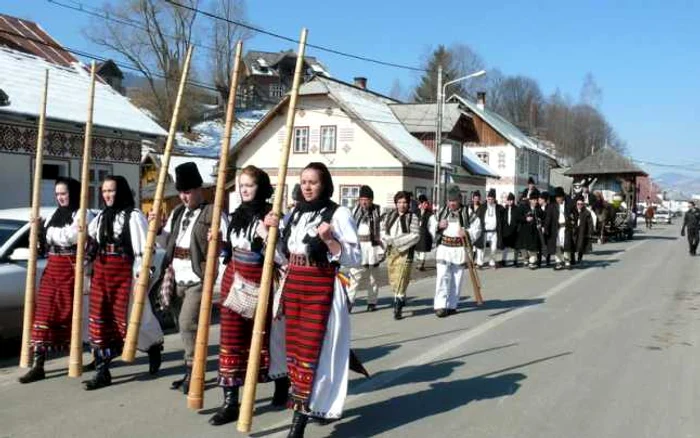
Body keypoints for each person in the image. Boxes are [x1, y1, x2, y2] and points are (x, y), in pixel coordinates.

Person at [274, 162, 360, 437]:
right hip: (295, 286)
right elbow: (282, 255)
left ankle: (298, 421)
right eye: (304, 181)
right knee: (296, 354)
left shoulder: (338, 213)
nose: (307, 187)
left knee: (315, 354)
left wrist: (330, 240)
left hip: (321, 287)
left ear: (324, 184)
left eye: (313, 182)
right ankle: (309, 405)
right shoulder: (294, 214)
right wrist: (270, 231)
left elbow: (354, 258)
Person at [208, 165, 288, 426]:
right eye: (241, 185)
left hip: (260, 280)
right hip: (234, 279)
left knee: (265, 338)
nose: (244, 190)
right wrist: (219, 244)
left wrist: (267, 236)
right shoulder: (235, 217)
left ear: (261, 187)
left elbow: (282, 259)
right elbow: (229, 252)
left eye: (250, 185)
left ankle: (280, 382)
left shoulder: (272, 216)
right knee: (230, 338)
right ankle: (231, 401)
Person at [154, 162, 228, 395]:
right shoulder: (177, 212)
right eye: (181, 192)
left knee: (188, 324)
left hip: (198, 277)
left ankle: (193, 371)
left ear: (199, 189)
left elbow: (227, 245)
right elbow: (167, 243)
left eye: (188, 191)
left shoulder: (213, 213)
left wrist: (218, 240)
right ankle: (191, 369)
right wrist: (156, 230)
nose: (184, 196)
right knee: (181, 325)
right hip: (176, 275)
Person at [84, 175, 164, 390]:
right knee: (100, 318)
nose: (108, 195)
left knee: (134, 318)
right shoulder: (101, 217)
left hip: (124, 274)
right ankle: (102, 370)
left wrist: (141, 276)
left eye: (112, 190)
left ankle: (152, 347)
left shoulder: (133, 216)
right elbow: (89, 240)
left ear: (121, 191)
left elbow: (142, 250)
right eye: (105, 191)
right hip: (102, 273)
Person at [19, 178, 94, 384]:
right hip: (52, 271)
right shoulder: (55, 215)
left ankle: (96, 356)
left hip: (72, 272)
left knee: (77, 315)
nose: (61, 197)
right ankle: (38, 364)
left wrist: (49, 233)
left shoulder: (83, 213)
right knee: (42, 316)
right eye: (58, 194)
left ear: (74, 193)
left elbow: (71, 238)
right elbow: (45, 245)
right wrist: (38, 231)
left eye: (65, 193)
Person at [431, 186, 480, 317]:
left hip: (459, 249)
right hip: (444, 248)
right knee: (442, 277)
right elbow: (431, 223)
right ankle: (440, 305)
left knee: (456, 278)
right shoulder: (442, 212)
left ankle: (452, 305)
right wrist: (437, 226)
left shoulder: (467, 212)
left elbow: (478, 227)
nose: (451, 203)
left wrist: (467, 233)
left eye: (454, 200)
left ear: (459, 199)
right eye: (449, 200)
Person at [381, 191, 420, 320]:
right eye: (399, 202)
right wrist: (387, 239)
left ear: (408, 204)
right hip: (391, 251)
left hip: (405, 251)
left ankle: (397, 306)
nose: (402, 205)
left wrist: (399, 241)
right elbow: (382, 230)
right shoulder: (389, 215)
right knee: (393, 277)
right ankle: (400, 297)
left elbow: (415, 235)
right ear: (396, 203)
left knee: (402, 278)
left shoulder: (412, 217)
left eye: (404, 202)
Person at [348, 185, 383, 312]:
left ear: (371, 200)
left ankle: (372, 302)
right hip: (358, 247)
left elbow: (382, 231)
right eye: (361, 199)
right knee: (354, 277)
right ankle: (349, 302)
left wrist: (381, 248)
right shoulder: (353, 212)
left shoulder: (377, 211)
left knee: (373, 277)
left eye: (366, 199)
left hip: (372, 246)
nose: (364, 202)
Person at [544, 187, 575, 270]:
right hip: (556, 228)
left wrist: (573, 221)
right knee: (557, 245)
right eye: (556, 197)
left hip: (566, 228)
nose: (558, 199)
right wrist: (546, 228)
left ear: (563, 197)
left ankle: (567, 261)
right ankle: (558, 261)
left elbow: (574, 215)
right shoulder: (552, 206)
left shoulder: (569, 205)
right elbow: (548, 218)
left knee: (566, 244)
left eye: (559, 197)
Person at [474, 189, 504, 269]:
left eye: (492, 199)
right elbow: (476, 217)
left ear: (494, 199)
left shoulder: (498, 208)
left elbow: (504, 215)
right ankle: (479, 263)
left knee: (493, 248)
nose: (490, 201)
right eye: (489, 199)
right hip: (484, 231)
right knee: (481, 248)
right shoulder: (482, 207)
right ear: (487, 198)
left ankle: (492, 262)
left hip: (494, 232)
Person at [516, 191, 545, 269]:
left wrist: (541, 223)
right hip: (524, 231)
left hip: (534, 232)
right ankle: (526, 260)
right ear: (530, 200)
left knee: (533, 248)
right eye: (533, 200)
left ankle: (532, 262)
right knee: (524, 248)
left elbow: (544, 218)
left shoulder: (538, 209)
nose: (535, 202)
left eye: (536, 200)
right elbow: (517, 217)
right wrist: (526, 219)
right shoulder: (523, 207)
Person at [571, 195, 595, 264]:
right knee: (572, 245)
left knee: (581, 245)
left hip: (582, 231)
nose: (579, 205)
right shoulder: (573, 211)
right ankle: (572, 259)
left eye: (581, 204)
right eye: (578, 204)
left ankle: (579, 258)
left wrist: (590, 231)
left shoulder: (586, 212)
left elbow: (590, 223)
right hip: (574, 231)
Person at [501, 193, 521, 267]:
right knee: (505, 247)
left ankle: (515, 261)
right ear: (507, 201)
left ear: (513, 201)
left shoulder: (517, 209)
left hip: (515, 230)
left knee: (516, 247)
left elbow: (519, 220)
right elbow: (502, 220)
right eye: (509, 200)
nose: (510, 202)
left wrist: (518, 229)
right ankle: (503, 260)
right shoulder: (504, 209)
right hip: (506, 231)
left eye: (511, 200)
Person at [414, 194, 434, 271]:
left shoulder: (429, 213)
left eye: (427, 203)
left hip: (425, 233)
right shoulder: (416, 212)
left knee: (422, 249)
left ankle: (421, 263)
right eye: (424, 203)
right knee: (417, 249)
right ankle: (420, 261)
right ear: (421, 204)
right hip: (417, 232)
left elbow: (432, 224)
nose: (426, 205)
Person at [538, 191, 552, 267]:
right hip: (539, 229)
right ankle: (539, 261)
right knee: (539, 245)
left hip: (547, 229)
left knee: (547, 244)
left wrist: (545, 227)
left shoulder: (550, 207)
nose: (539, 200)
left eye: (540, 198)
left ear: (544, 200)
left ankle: (548, 261)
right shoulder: (538, 208)